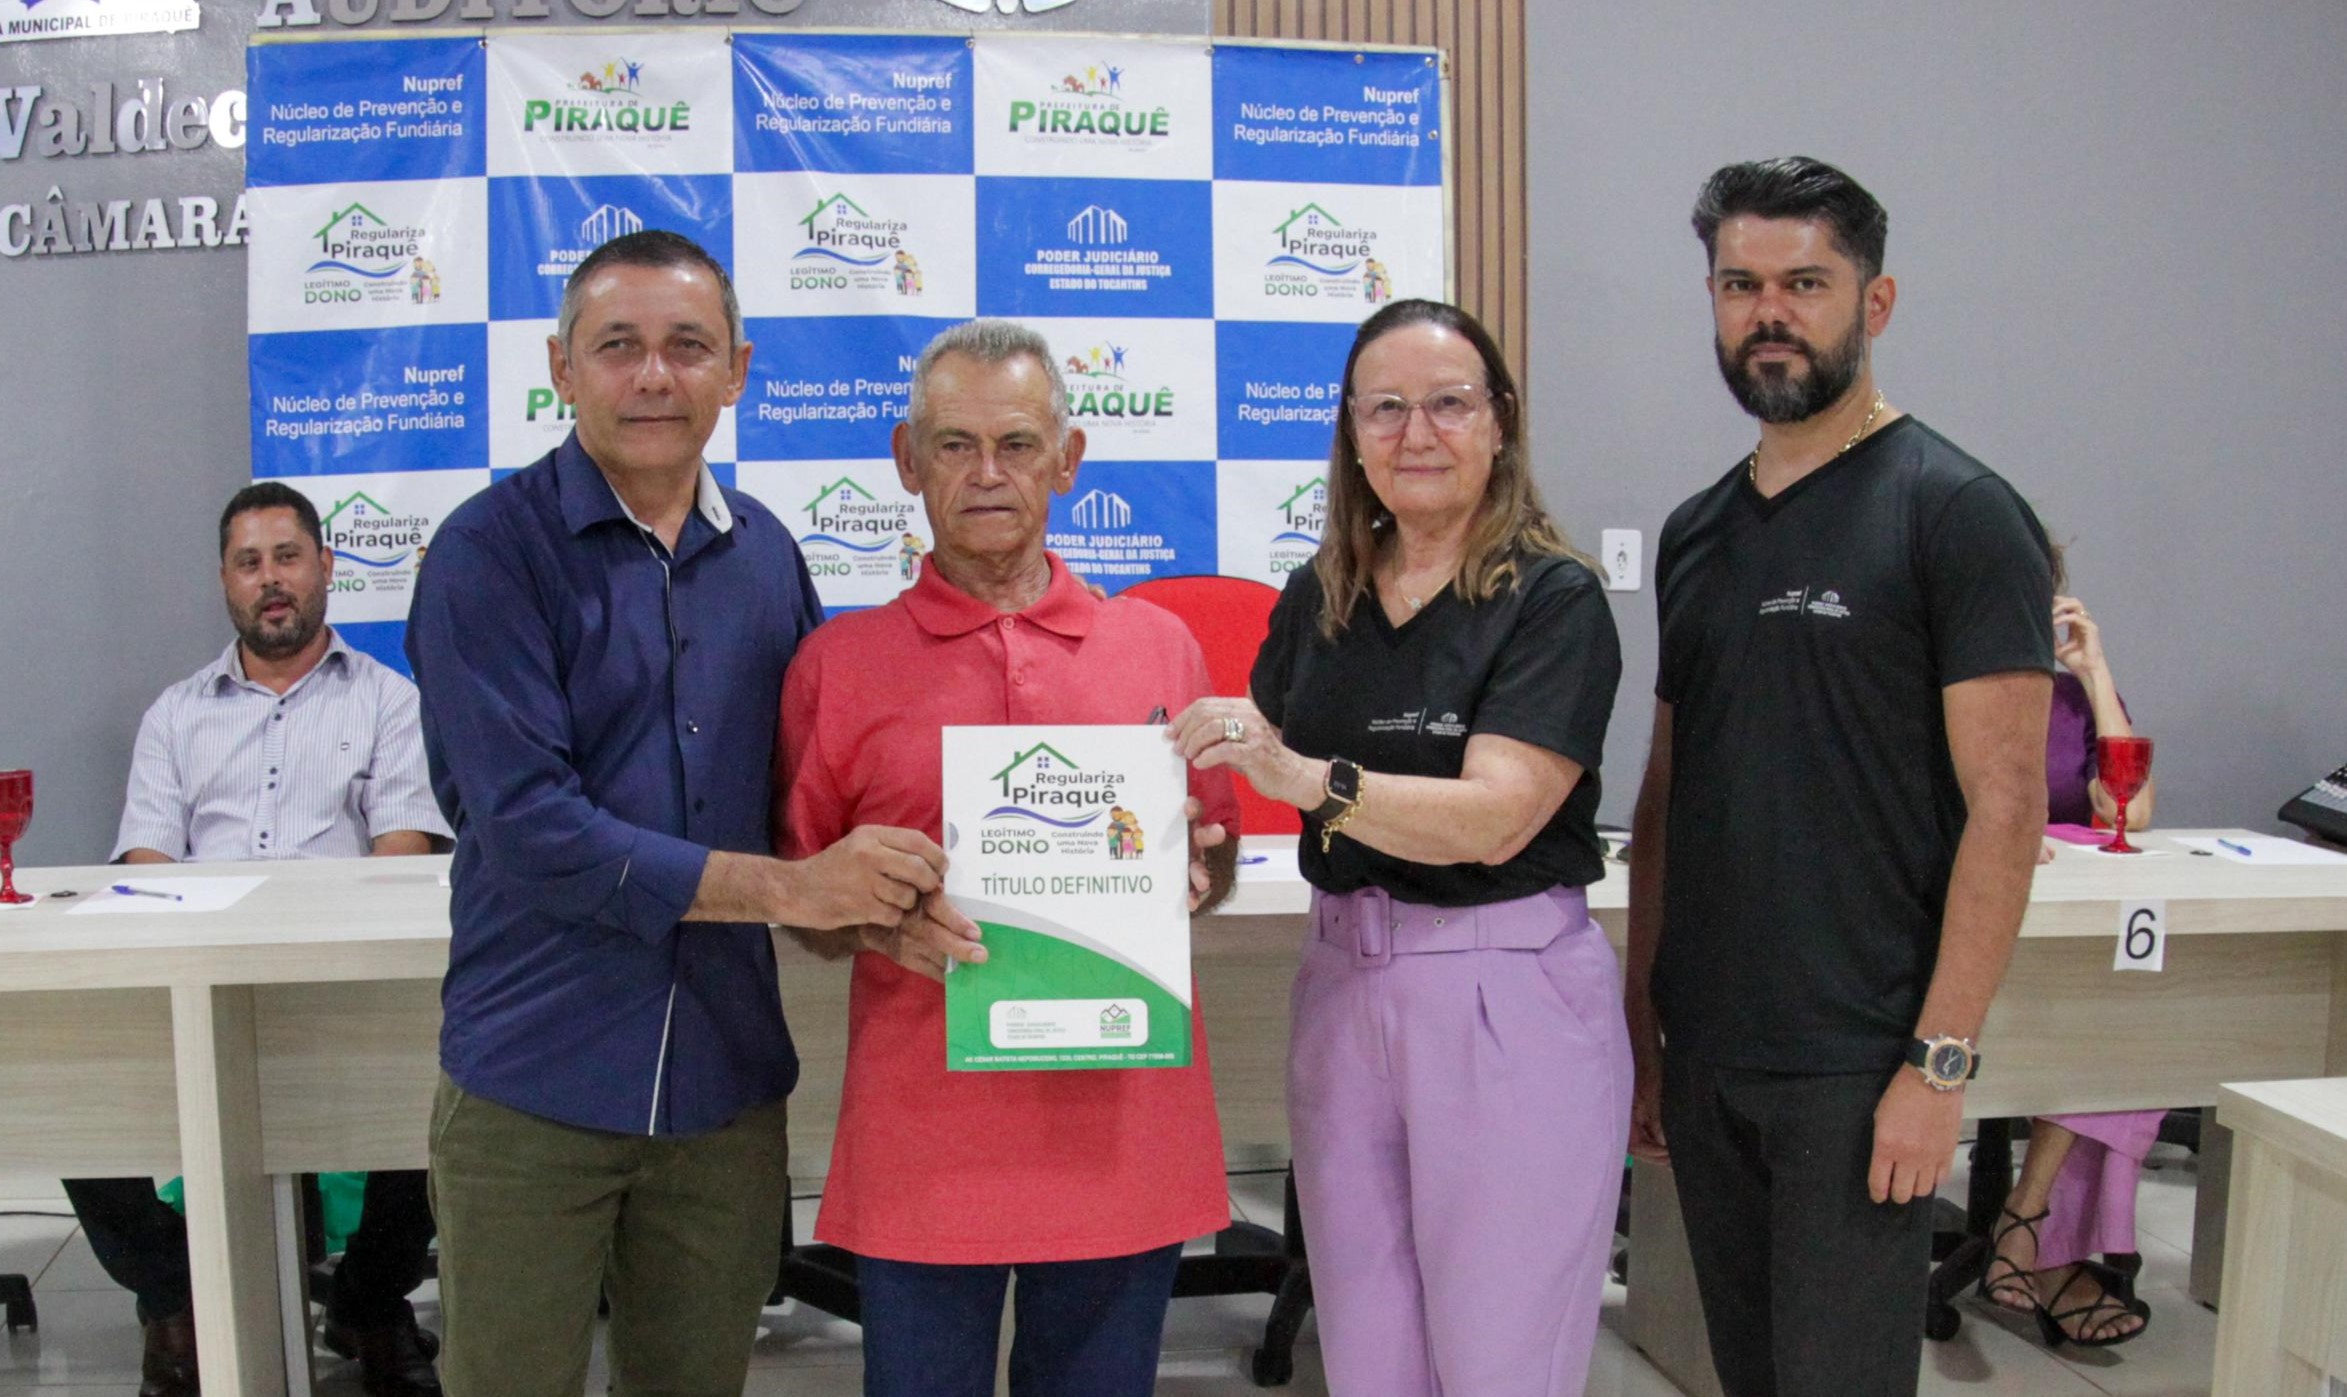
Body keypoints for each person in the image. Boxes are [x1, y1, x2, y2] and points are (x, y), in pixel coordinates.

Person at [404, 230, 952, 1397]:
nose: (654, 374)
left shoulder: (767, 555)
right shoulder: (485, 555)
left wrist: (919, 878)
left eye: (688, 345)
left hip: (723, 1087)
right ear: (561, 367)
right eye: (619, 345)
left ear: (737, 370)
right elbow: (532, 829)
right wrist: (796, 888)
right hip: (536, 1079)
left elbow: (808, 793)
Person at [1625, 157, 2055, 1397]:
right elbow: (1665, 795)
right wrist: (1646, 1026)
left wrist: (1938, 1064)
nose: (1769, 312)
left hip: (1860, 1063)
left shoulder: (1956, 511)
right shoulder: (1696, 530)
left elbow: (2008, 808)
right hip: (1710, 1048)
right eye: (1739, 284)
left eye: (1804, 283)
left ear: (1875, 302)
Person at [1168, 298, 1629, 1397]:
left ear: (1499, 421)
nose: (1415, 433)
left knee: (1499, 1362)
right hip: (1341, 988)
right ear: (1350, 432)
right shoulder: (1318, 596)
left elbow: (1497, 815)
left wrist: (1307, 780)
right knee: (1367, 1354)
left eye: (1447, 403)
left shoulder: (1551, 598)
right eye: (1384, 408)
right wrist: (1162, 841)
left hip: (1503, 995)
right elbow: (1250, 757)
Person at [775, 318, 1240, 1397]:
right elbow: (801, 901)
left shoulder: (1161, 648)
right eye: (954, 444)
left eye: (1018, 444)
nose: (987, 472)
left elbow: (1210, 862)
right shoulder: (835, 665)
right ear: (907, 460)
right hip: (926, 1143)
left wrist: (1191, 875)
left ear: (1067, 460)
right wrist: (876, 916)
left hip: (1123, 1131)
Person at [75, 480, 450, 1397]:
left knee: (451, 1086)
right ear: (225, 581)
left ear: (326, 566)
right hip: (199, 980)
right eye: (249, 563)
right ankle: (178, 1297)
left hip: (348, 983)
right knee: (78, 1099)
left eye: (287, 557)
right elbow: (148, 866)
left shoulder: (390, 702)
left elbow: (400, 859)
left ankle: (368, 1300)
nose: (270, 579)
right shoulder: (175, 715)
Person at [1985, 545, 2160, 1347]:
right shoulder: (1947, 679)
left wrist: (2094, 672)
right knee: (2099, 1018)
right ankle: (2046, 1246)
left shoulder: (2070, 697)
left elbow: (2132, 810)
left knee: (2128, 1013)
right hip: (1972, 919)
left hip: (2066, 926)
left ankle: (2028, 1214)